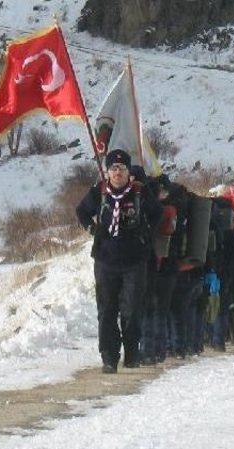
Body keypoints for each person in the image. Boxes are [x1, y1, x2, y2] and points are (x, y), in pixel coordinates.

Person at [76, 149, 162, 373]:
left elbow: (157, 213)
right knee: (106, 310)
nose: (117, 173)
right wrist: (93, 228)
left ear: (128, 172)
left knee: (132, 310)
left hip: (134, 261)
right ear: (108, 171)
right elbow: (81, 212)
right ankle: (108, 357)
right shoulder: (99, 192)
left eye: (122, 169)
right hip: (105, 261)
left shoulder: (140, 192)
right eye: (113, 168)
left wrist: (146, 232)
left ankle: (132, 353)